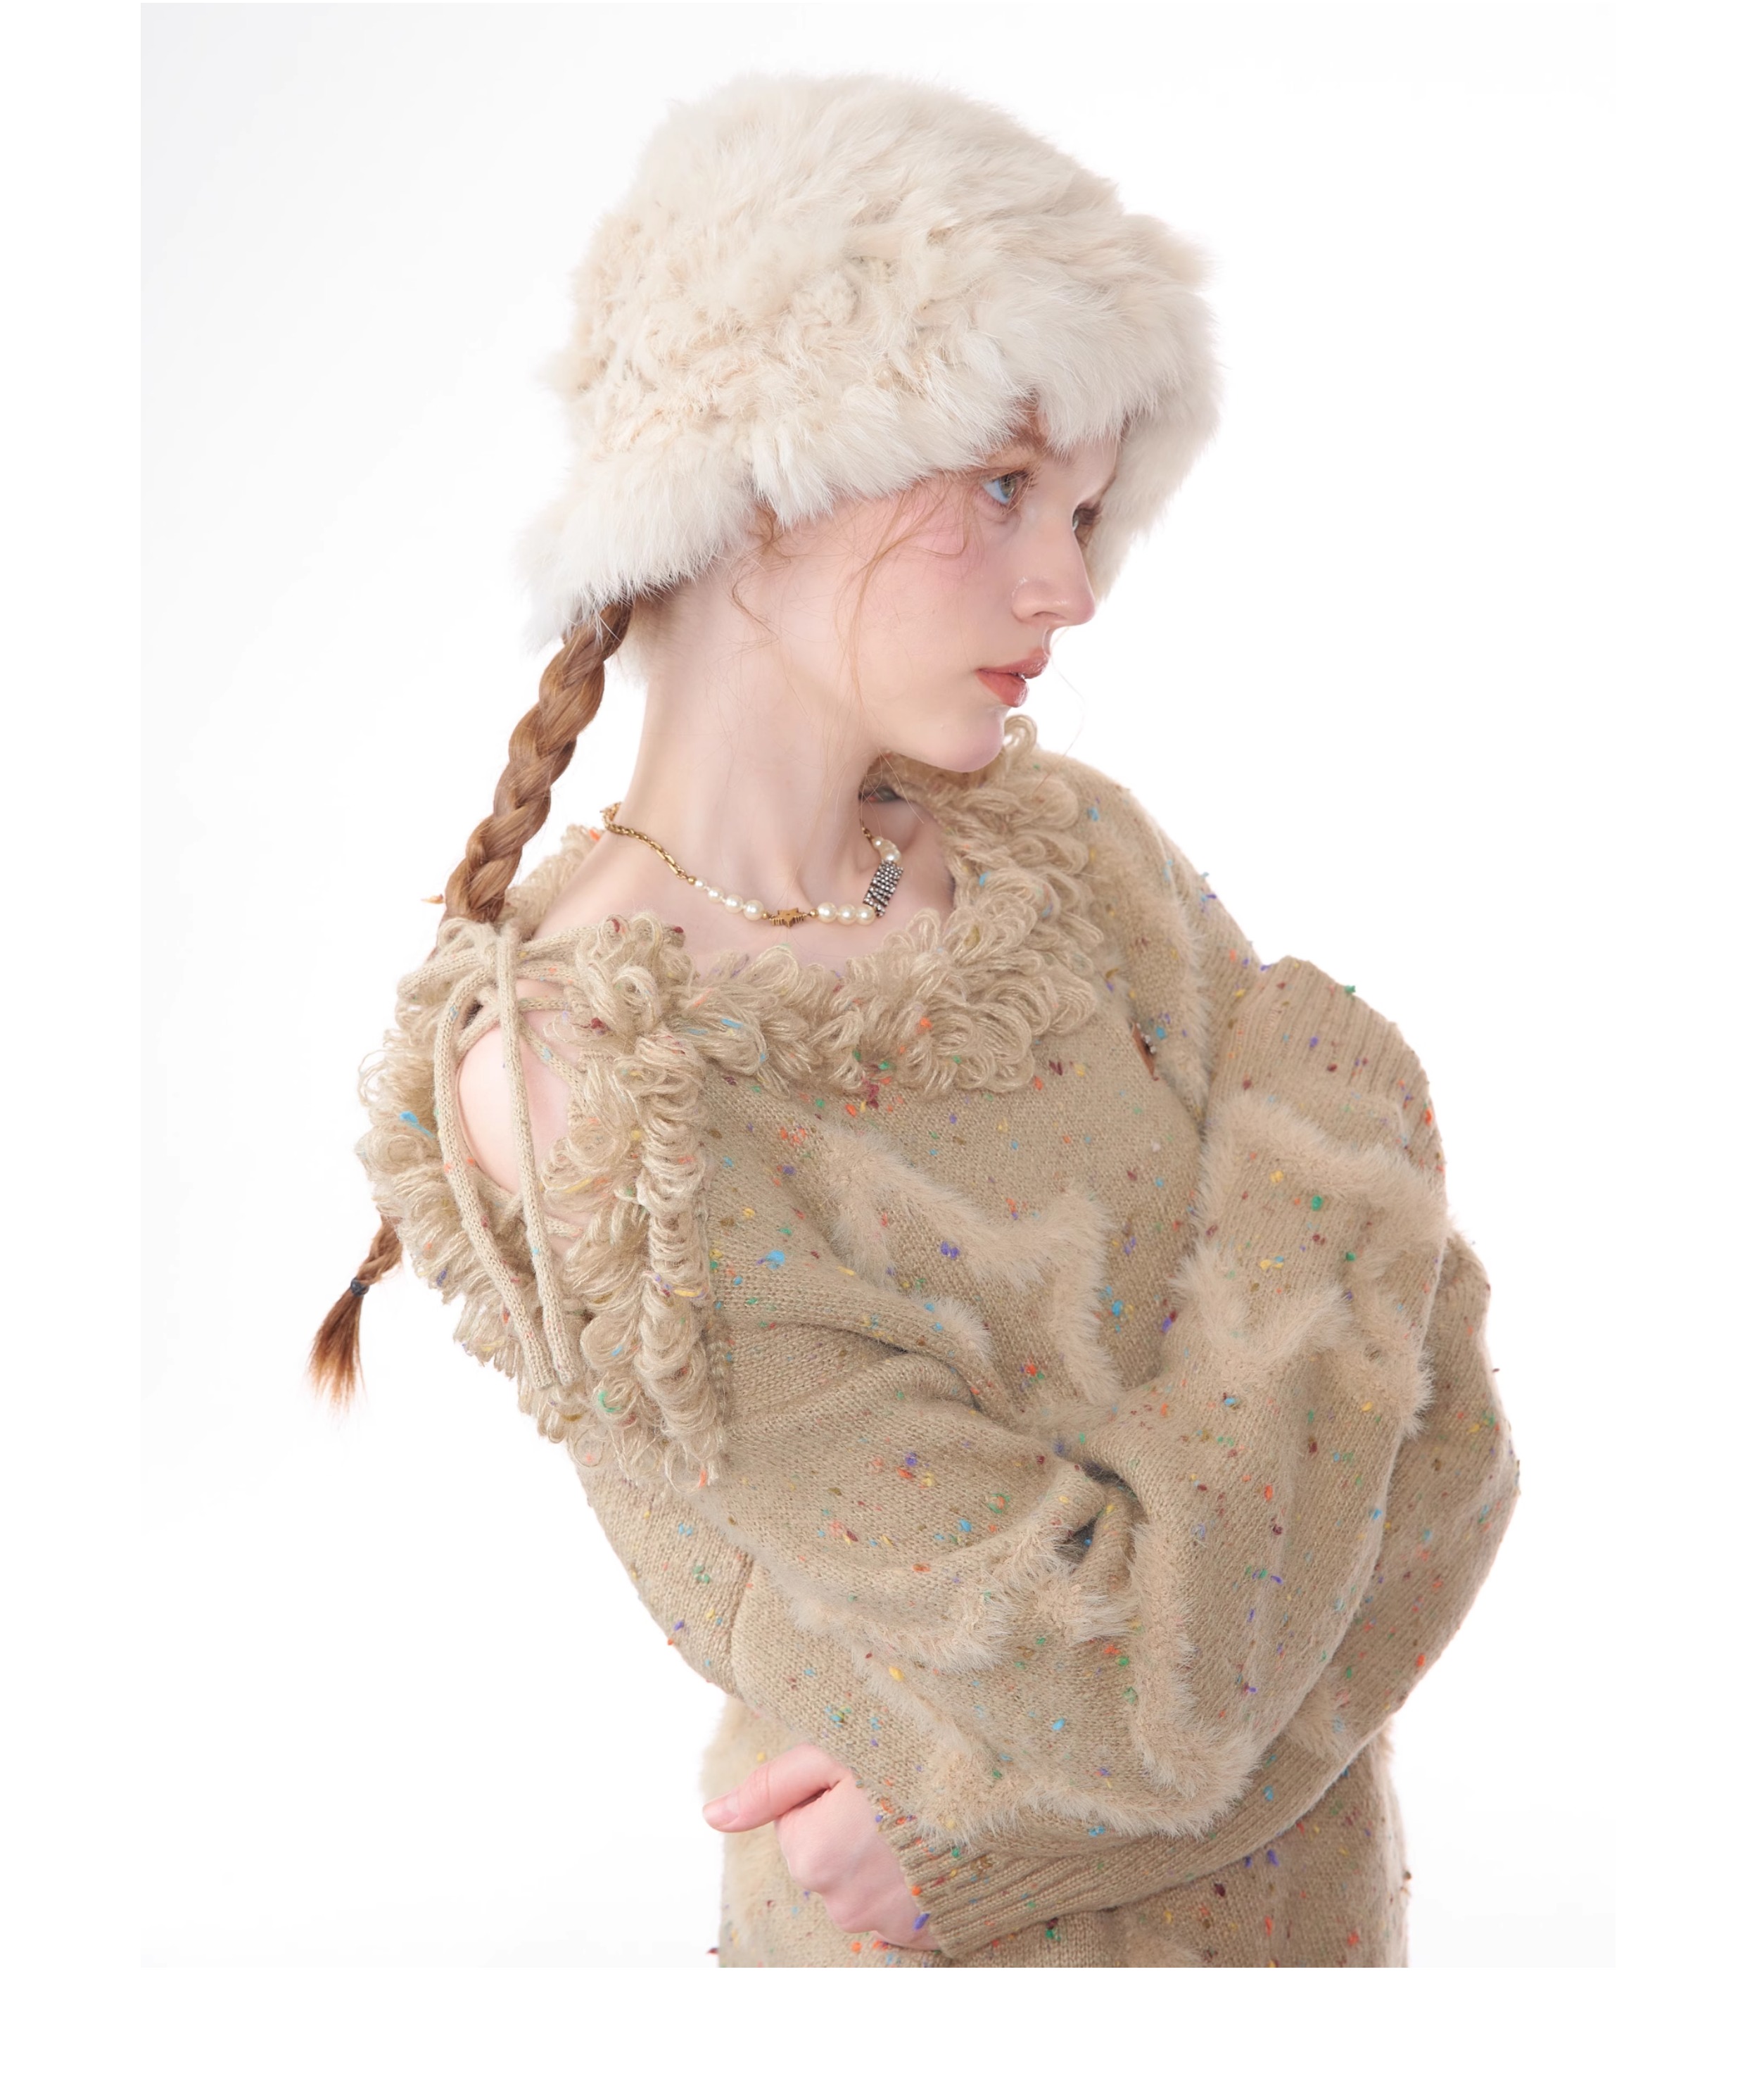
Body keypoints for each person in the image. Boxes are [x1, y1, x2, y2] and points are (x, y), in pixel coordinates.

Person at [310, 72, 1520, 1968]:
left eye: (1088, 508)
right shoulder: (591, 1087)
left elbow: (1449, 1475)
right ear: (757, 484)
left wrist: (988, 1835)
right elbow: (1132, 1688)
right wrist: (1344, 1133)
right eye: (1001, 487)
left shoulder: (1074, 859)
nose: (1071, 586)